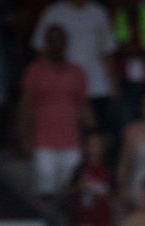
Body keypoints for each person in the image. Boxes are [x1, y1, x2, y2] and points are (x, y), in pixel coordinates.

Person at [20, 23, 89, 201]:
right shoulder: (35, 70)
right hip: (43, 143)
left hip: (71, 142)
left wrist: (91, 133)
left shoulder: (77, 71)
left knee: (72, 192)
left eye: (61, 40)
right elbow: (26, 105)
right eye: (53, 40)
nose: (57, 44)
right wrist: (25, 136)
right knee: (46, 193)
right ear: (47, 43)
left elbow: (83, 104)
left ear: (66, 43)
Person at [30, 0, 118, 123]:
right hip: (65, 88)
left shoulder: (98, 12)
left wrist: (112, 86)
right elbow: (41, 51)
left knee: (97, 134)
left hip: (97, 87)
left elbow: (107, 52)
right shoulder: (54, 12)